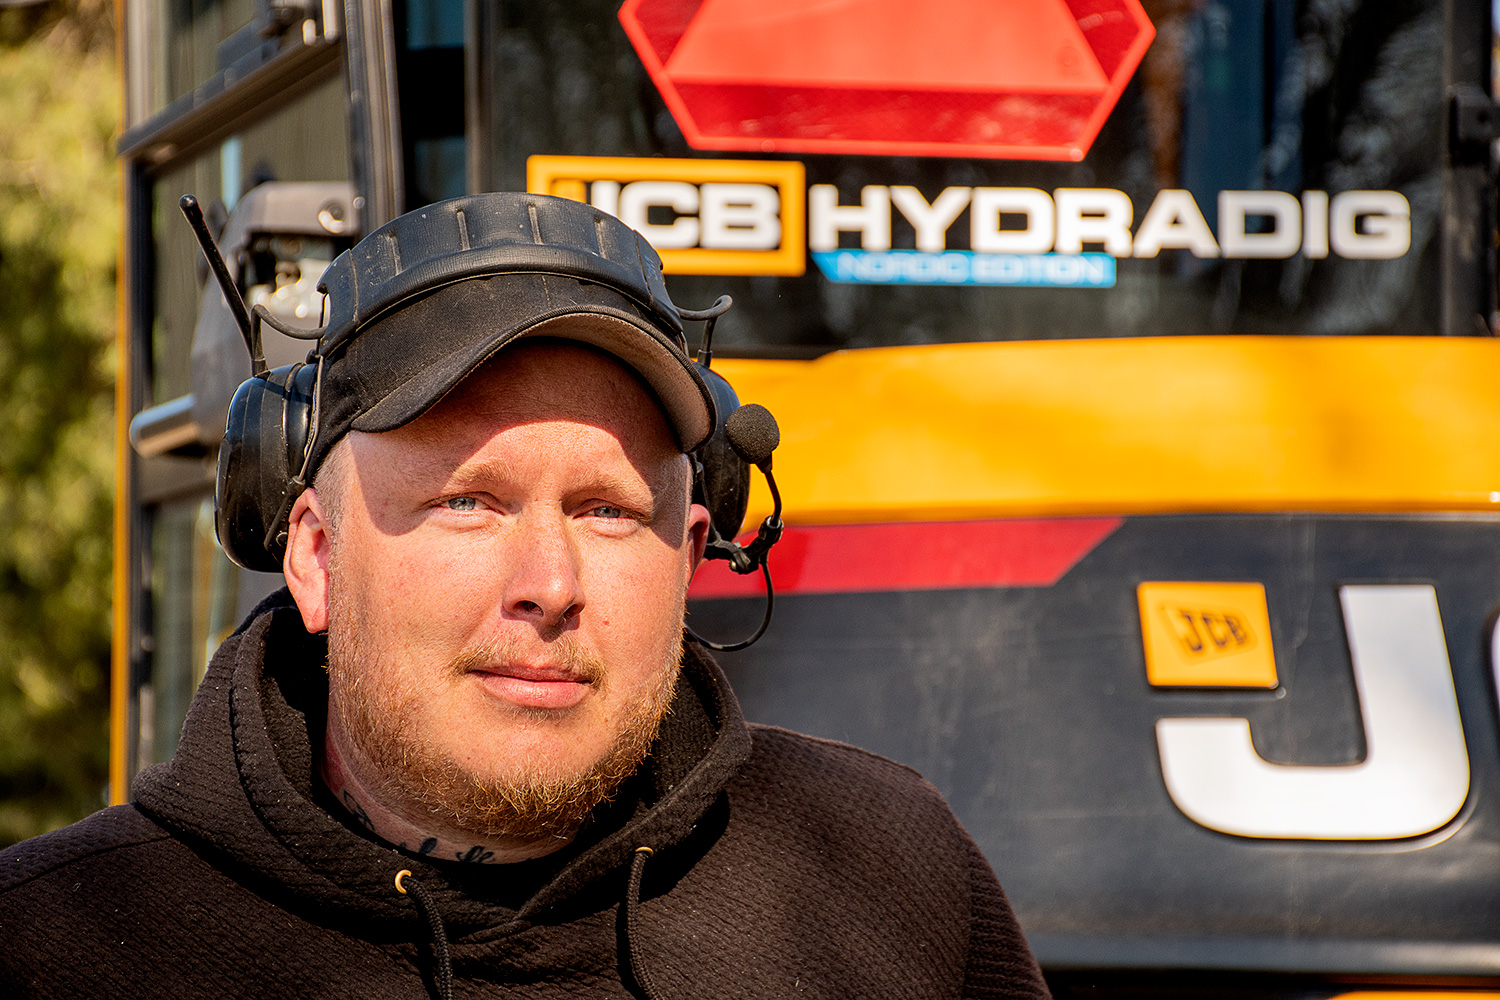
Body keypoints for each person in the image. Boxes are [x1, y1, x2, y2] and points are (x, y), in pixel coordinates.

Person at [0, 193, 1050, 999]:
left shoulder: (895, 877)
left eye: (608, 512)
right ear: (315, 558)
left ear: (691, 556)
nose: (550, 586)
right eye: (469, 502)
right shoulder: (53, 948)